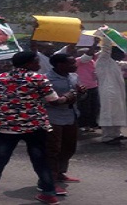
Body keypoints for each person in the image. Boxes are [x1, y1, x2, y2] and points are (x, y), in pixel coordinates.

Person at [0, 51, 66, 205]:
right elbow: (54, 101)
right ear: (28, 63)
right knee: (40, 161)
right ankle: (48, 194)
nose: (39, 65)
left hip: (5, 127)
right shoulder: (39, 78)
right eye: (36, 61)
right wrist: (71, 95)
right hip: (34, 127)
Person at [94, 26, 127, 144]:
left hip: (117, 91)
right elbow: (106, 48)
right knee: (108, 111)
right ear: (113, 53)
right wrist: (107, 35)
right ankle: (107, 136)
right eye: (121, 52)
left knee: (118, 112)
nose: (123, 55)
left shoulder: (116, 63)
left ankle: (116, 134)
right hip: (107, 90)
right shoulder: (103, 60)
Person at [44, 54, 82, 184]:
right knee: (53, 149)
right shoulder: (46, 79)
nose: (75, 66)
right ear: (60, 65)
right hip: (53, 118)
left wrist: (81, 93)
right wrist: (67, 97)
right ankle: (50, 179)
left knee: (69, 147)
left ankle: (60, 172)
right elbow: (48, 101)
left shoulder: (73, 77)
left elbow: (78, 97)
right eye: (71, 63)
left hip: (71, 116)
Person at [76, 44, 100, 132]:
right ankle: (83, 124)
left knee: (95, 107)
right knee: (84, 108)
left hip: (94, 87)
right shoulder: (78, 61)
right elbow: (86, 57)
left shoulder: (93, 61)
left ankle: (92, 124)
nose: (91, 55)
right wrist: (94, 44)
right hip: (83, 88)